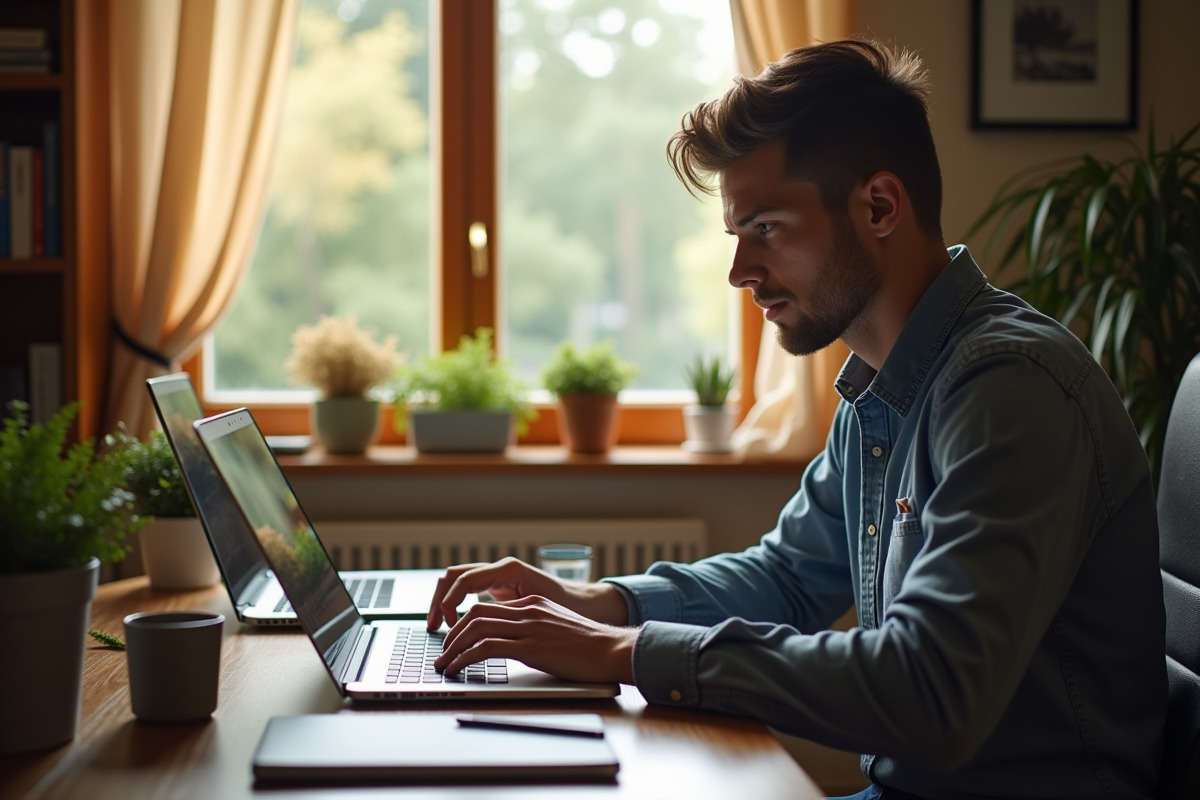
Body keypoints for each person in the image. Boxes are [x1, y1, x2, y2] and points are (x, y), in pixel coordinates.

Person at [427, 38, 1166, 799]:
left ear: (879, 205)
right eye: (736, 234)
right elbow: (787, 577)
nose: (740, 272)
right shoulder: (886, 389)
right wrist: (600, 604)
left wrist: (628, 650)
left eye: (766, 229)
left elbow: (934, 691)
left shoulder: (1009, 388)